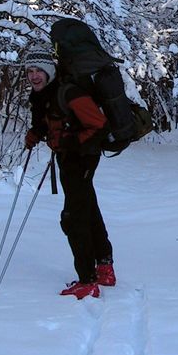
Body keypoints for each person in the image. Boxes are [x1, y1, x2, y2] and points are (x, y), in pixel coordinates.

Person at [24, 43, 115, 299]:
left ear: (49, 71)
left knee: (74, 217)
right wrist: (36, 133)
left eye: (38, 70)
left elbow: (98, 125)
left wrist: (70, 142)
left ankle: (88, 280)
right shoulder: (45, 95)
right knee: (87, 207)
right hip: (69, 158)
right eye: (30, 71)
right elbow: (50, 120)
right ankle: (105, 267)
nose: (33, 75)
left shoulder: (69, 92)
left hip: (82, 158)